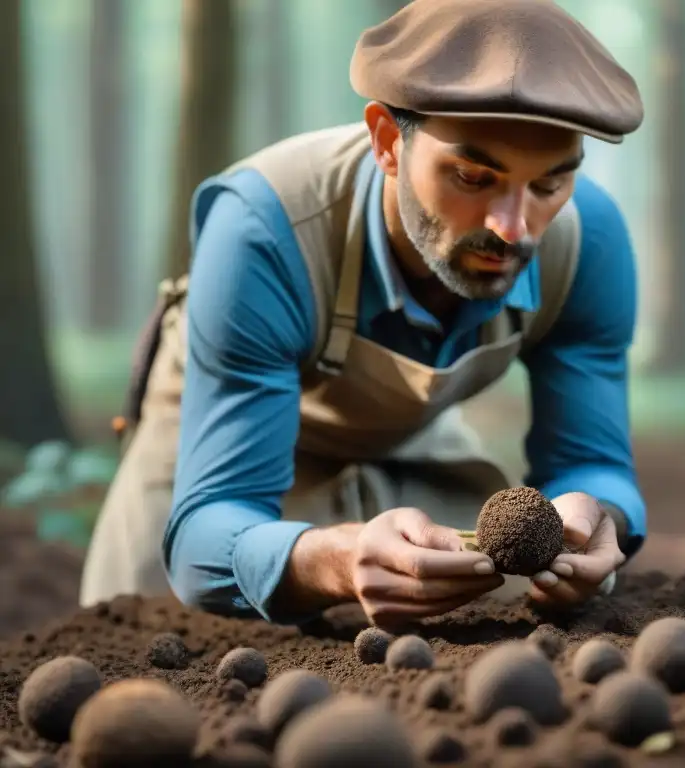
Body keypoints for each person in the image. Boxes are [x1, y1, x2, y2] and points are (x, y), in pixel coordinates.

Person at [79, 0, 648, 629]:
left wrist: (596, 515)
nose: (513, 230)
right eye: (471, 175)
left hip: (405, 443)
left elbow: (595, 462)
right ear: (386, 142)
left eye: (548, 186)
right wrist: (338, 562)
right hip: (214, 445)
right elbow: (211, 526)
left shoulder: (587, 243)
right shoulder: (264, 233)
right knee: (150, 643)